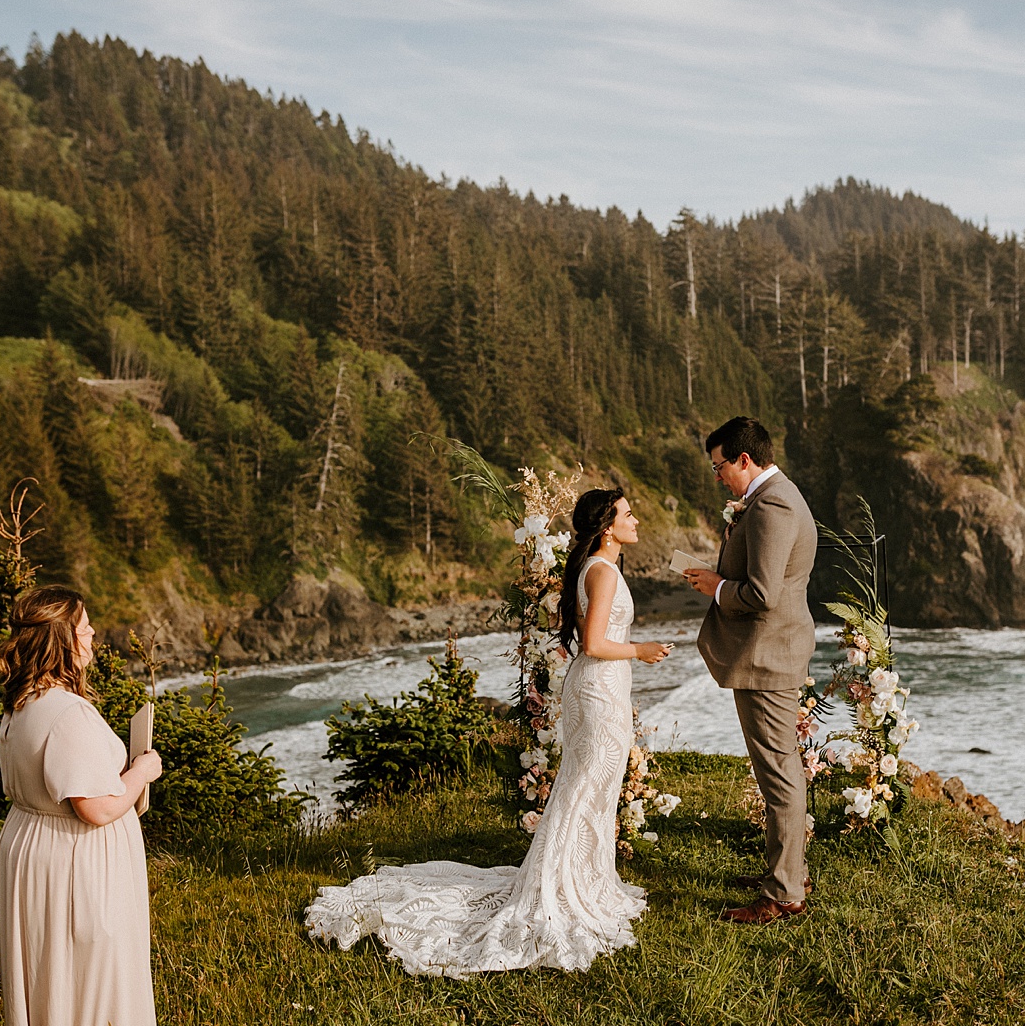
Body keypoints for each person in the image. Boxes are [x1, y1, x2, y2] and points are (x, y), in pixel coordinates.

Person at [305, 489, 672, 976]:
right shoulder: (602, 571)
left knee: (590, 788)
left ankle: (583, 877)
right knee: (587, 788)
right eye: (629, 513)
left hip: (599, 690)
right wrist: (641, 649)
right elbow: (595, 642)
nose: (637, 519)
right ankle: (565, 886)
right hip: (600, 690)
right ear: (608, 527)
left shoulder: (595, 568)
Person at [0, 586, 165, 1026]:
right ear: (59, 640)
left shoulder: (21, 706)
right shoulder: (67, 714)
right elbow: (94, 807)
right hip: (74, 862)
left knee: (47, 980)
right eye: (84, 627)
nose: (92, 635)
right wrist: (142, 771)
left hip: (30, 851)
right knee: (91, 976)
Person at [682, 417, 819, 925]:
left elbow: (762, 595)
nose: (718, 477)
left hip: (768, 655)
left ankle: (784, 893)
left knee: (779, 775)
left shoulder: (775, 505)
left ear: (745, 460)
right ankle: (785, 871)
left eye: (720, 467)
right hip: (770, 652)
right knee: (776, 771)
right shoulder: (767, 501)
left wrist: (716, 586)